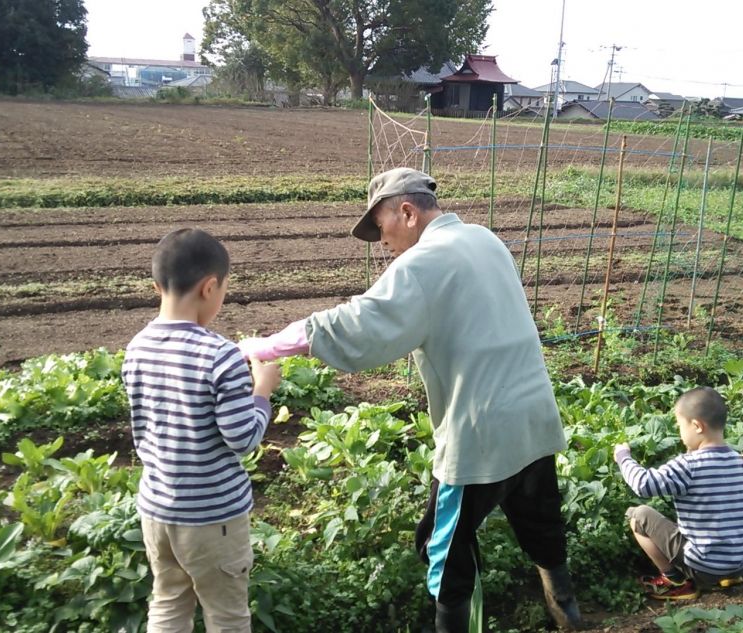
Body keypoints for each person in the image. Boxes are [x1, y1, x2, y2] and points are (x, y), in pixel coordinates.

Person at [237, 167, 583, 632]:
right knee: (540, 523)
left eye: (381, 227)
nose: (382, 241)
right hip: (534, 417)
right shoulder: (485, 239)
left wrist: (266, 347)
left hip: (480, 433)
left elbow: (360, 324)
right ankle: (569, 614)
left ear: (407, 212)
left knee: (443, 548)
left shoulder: (422, 264)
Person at [122, 228, 281, 633]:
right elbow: (242, 438)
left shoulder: (137, 346)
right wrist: (262, 391)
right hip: (212, 518)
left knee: (168, 603)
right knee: (227, 616)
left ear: (158, 285)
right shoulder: (220, 355)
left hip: (158, 510)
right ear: (211, 287)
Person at [613, 386, 743, 601]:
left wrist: (623, 457)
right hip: (742, 562)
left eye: (680, 426)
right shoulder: (738, 461)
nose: (680, 433)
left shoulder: (689, 465)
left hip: (705, 567)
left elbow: (644, 485)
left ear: (697, 426)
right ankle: (729, 576)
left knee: (638, 516)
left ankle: (676, 581)